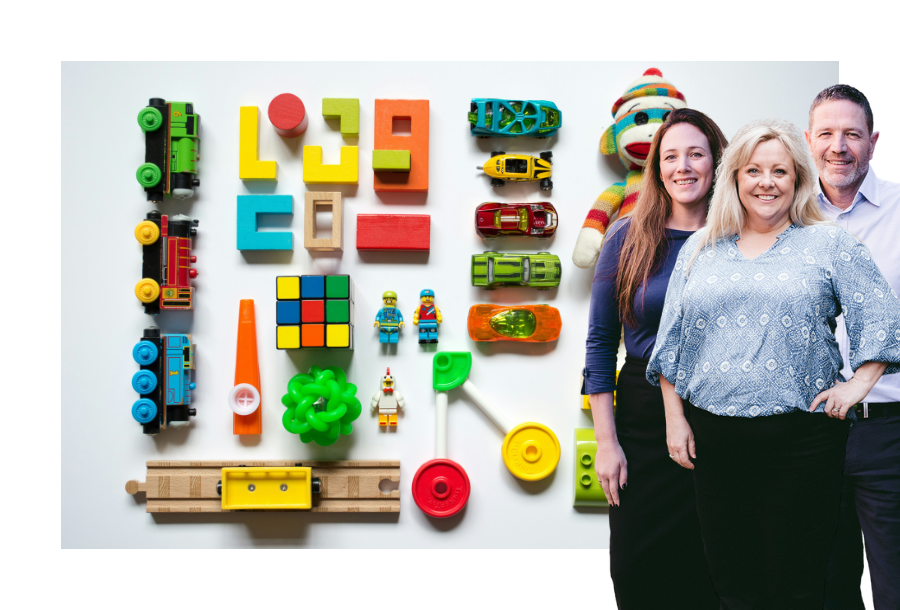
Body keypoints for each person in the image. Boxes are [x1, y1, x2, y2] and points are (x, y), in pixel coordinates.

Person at [647, 117, 900, 609]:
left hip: (802, 443)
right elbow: (671, 342)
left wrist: (857, 384)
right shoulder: (701, 248)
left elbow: (882, 316)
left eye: (780, 171)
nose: (766, 182)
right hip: (715, 440)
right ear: (735, 178)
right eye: (754, 170)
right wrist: (674, 420)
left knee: (798, 584)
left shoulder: (829, 243)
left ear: (798, 179)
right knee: (731, 580)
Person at [583, 108, 726, 610]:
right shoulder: (625, 238)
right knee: (636, 570)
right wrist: (606, 442)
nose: (683, 166)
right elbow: (600, 345)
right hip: (643, 419)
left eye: (695, 154)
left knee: (713, 569)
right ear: (657, 168)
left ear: (716, 161)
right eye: (670, 156)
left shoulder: (740, 240)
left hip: (720, 416)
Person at [807, 85, 900, 610]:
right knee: (822, 583)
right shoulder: (788, 220)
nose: (838, 146)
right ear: (808, 141)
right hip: (810, 430)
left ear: (873, 142)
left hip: (889, 427)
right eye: (826, 134)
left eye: (852, 135)